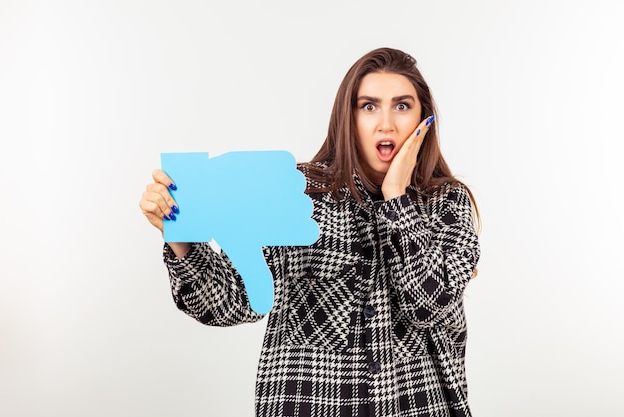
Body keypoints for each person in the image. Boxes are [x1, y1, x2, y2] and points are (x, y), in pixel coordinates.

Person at [140, 47, 481, 417]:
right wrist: (180, 235)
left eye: (402, 106)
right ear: (347, 118)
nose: (386, 124)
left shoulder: (446, 202)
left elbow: (430, 305)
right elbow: (231, 302)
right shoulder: (296, 193)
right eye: (368, 106)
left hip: (416, 406)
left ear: (422, 118)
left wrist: (396, 198)